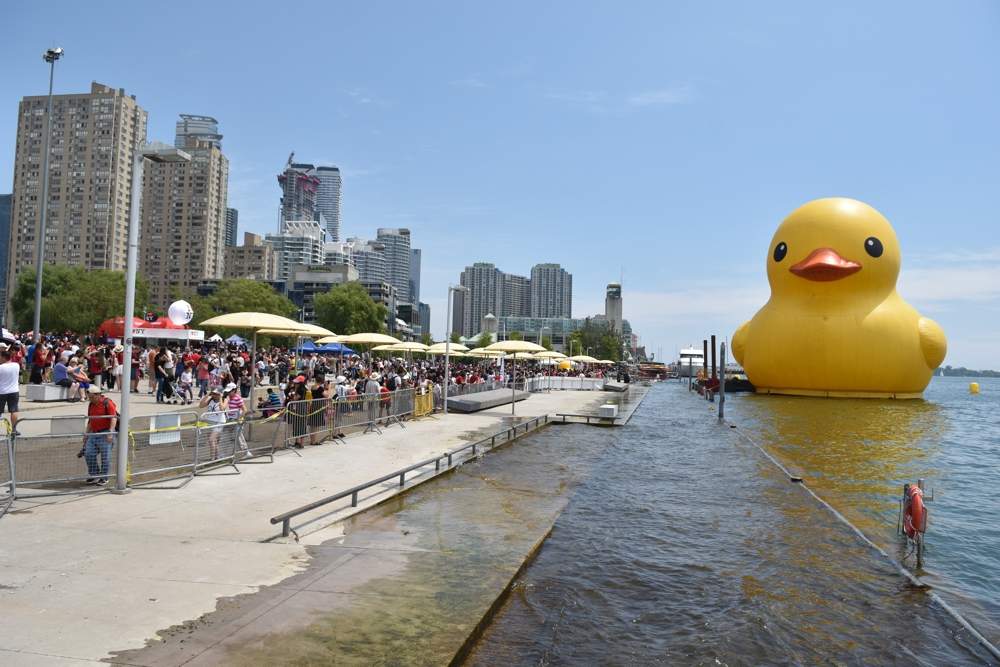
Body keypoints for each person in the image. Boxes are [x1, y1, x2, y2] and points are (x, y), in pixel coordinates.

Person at [83, 386, 118, 486]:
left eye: (92, 397)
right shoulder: (91, 405)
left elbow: (113, 418)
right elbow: (90, 420)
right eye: (89, 398)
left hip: (105, 432)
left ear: (98, 395)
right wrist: (87, 434)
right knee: (88, 453)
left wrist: (110, 433)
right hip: (93, 433)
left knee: (105, 456)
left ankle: (104, 477)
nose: (91, 399)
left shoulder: (108, 403)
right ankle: (94, 474)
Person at [199, 386, 228, 460]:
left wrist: (221, 398)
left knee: (211, 439)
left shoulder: (225, 400)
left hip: (219, 422)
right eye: (214, 393)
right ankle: (217, 457)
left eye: (217, 394)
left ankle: (211, 458)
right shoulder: (210, 400)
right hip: (209, 421)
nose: (215, 395)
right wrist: (206, 395)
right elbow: (201, 405)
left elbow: (222, 409)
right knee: (213, 441)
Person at [0, 349, 20, 430]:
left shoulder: (1, 367)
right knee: (14, 410)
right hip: (14, 390)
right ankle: (14, 429)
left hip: (2, 391)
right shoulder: (16, 365)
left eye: (0, 357)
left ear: (4, 358)